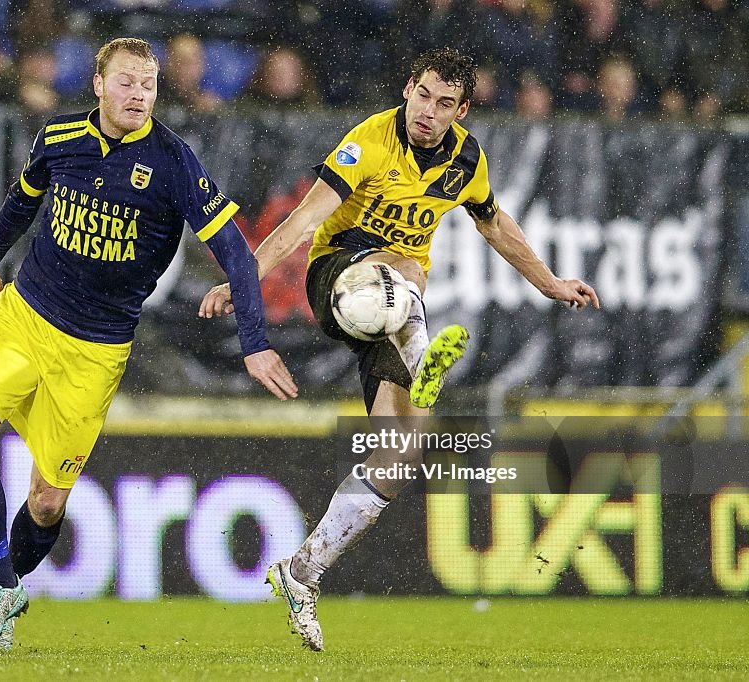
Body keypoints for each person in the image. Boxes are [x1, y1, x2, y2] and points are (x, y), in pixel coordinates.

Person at [199, 47, 600, 651]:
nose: (430, 113)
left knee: (399, 454)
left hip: (392, 306)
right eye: (424, 96)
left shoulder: (467, 159)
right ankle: (419, 340)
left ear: (461, 110)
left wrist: (550, 283)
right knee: (401, 268)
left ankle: (303, 571)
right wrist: (245, 280)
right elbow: (307, 221)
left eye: (446, 104)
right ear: (408, 88)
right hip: (338, 276)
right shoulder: (369, 142)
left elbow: (495, 225)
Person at [0, 37, 297, 651]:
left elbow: (237, 252)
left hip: (95, 350)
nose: (138, 95)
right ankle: (1, 586)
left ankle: (10, 585)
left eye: (148, 86)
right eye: (127, 82)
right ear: (99, 85)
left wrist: (254, 341)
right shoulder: (59, 138)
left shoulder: (173, 162)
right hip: (23, 317)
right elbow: (23, 197)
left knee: (48, 503)